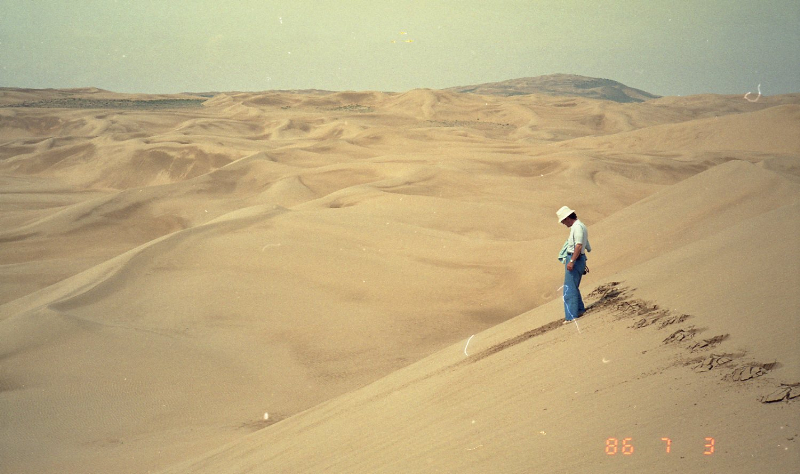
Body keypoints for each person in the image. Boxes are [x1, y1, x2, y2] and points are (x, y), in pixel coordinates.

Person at [556, 206, 591, 323]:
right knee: (573, 287)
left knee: (568, 289)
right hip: (578, 258)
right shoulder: (580, 226)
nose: (563, 223)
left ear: (567, 218)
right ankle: (579, 310)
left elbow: (579, 245)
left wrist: (571, 261)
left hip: (575, 258)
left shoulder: (577, 227)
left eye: (563, 221)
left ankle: (571, 316)